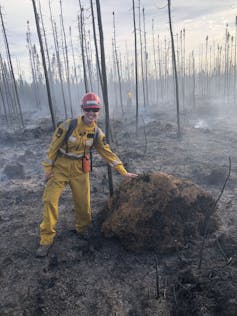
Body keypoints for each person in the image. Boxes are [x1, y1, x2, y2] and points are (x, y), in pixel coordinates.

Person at [36, 92, 138, 257]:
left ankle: (82, 229)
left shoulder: (97, 133)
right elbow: (52, 148)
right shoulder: (68, 126)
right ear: (83, 109)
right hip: (60, 167)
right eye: (88, 109)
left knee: (84, 203)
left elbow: (107, 153)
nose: (92, 113)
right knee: (49, 200)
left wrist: (123, 172)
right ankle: (46, 239)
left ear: (99, 110)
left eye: (95, 109)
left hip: (80, 170)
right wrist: (48, 169)